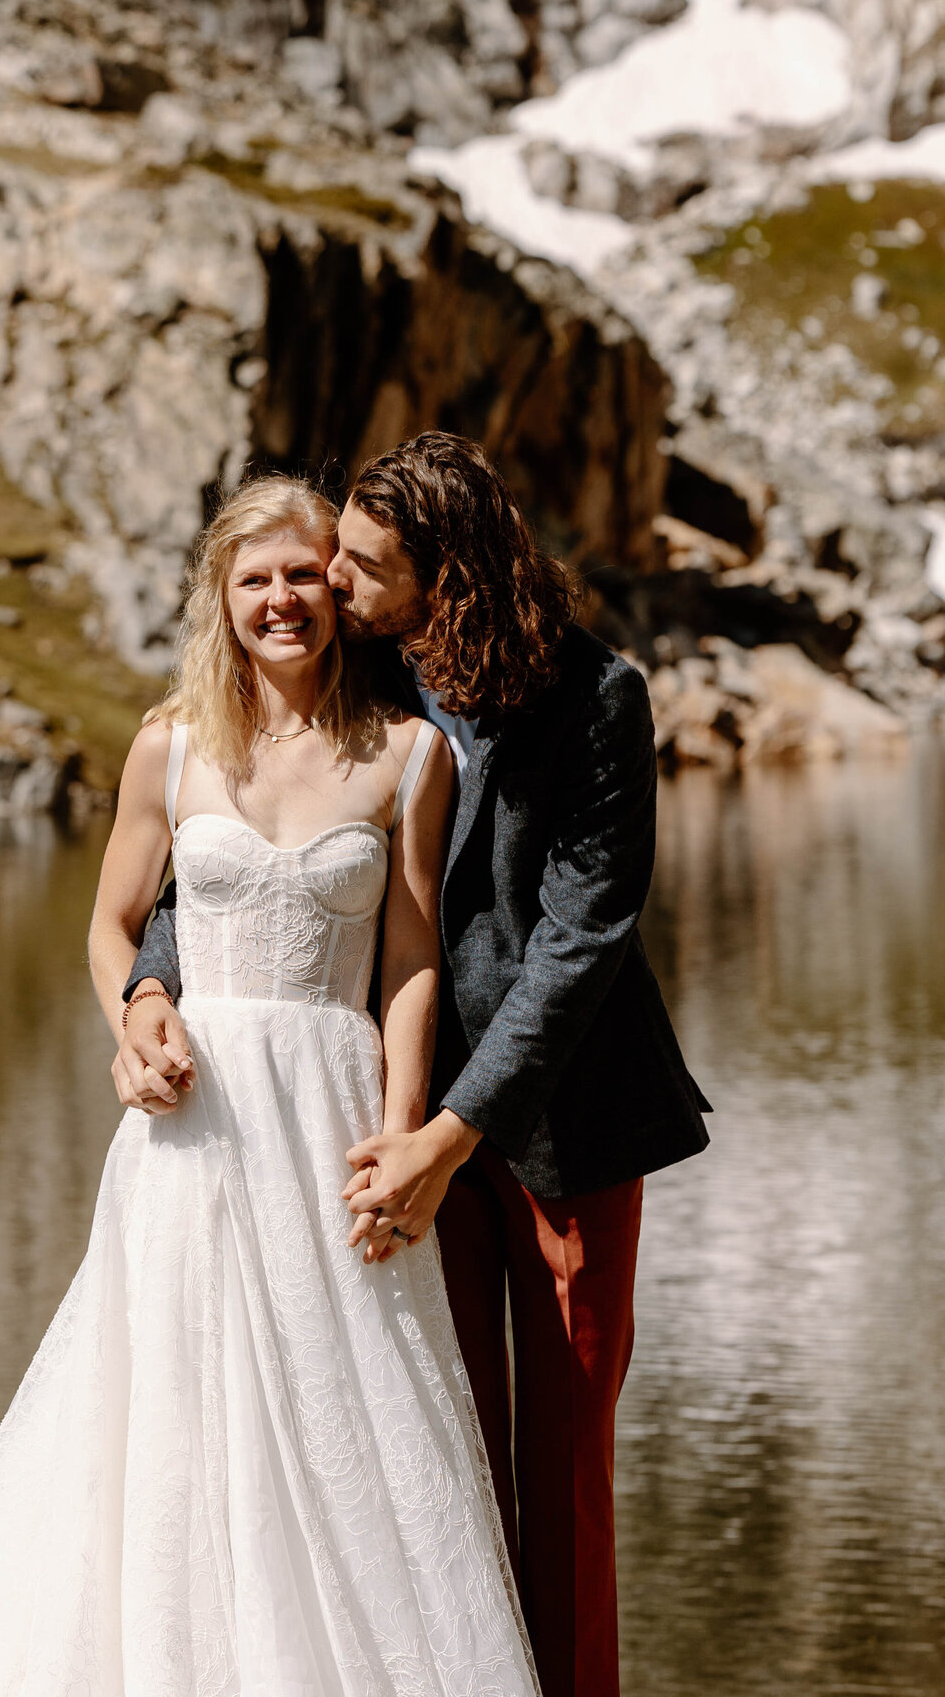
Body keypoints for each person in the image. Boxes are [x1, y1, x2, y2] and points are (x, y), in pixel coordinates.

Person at [0, 475, 541, 1697]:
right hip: (195, 1130)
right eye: (255, 580)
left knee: (356, 1422)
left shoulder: (408, 755)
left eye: (303, 575)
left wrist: (399, 1142)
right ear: (220, 597)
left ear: (338, 584)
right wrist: (140, 1013)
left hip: (331, 1121)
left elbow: (411, 959)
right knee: (172, 1406)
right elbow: (114, 925)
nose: (282, 601)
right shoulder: (169, 746)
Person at [123, 433, 712, 1697]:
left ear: (441, 576)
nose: (327, 578)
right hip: (382, 1118)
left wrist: (449, 1136)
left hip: (562, 1122)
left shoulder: (596, 695)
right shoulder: (365, 668)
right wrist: (150, 982)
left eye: (360, 561)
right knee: (435, 1455)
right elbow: (219, 853)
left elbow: (582, 944)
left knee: (561, 1471)